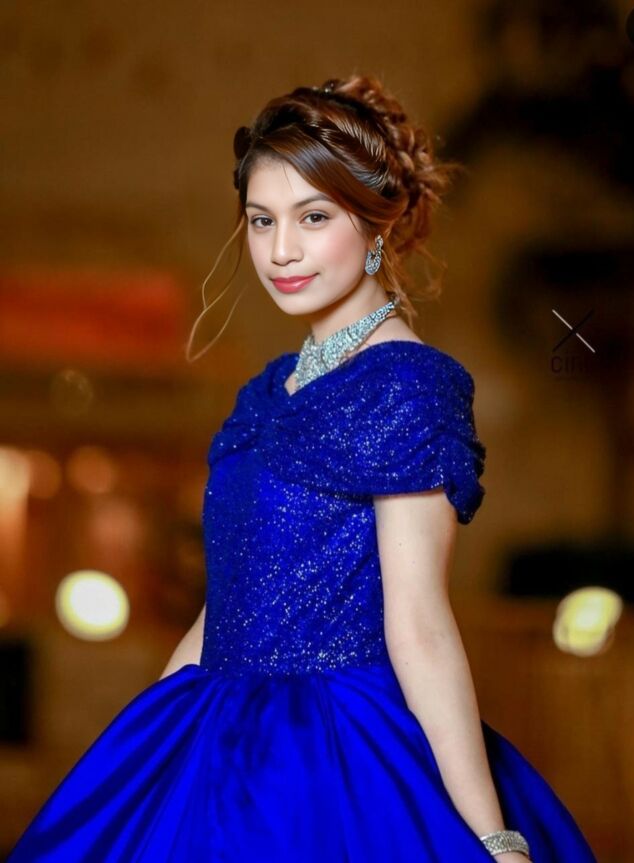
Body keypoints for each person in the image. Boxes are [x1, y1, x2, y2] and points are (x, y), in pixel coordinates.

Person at [8, 74, 598, 863]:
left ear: (377, 224)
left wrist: (493, 837)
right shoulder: (266, 390)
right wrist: (143, 756)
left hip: (334, 754)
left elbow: (420, 624)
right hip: (213, 729)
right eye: (262, 220)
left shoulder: (408, 385)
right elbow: (224, 607)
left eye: (312, 217)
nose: (280, 250)